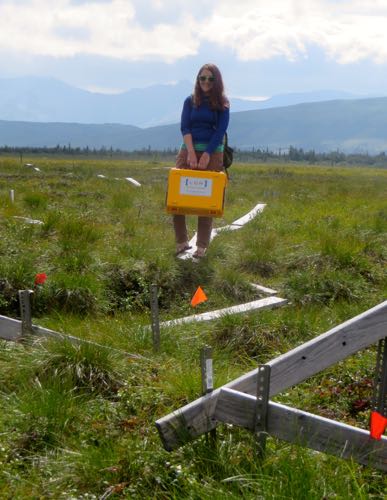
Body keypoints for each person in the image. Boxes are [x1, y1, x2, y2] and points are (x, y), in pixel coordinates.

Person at [173, 63, 230, 259]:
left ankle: (201, 246)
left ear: (217, 81)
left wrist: (206, 154)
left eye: (210, 79)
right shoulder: (190, 101)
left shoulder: (223, 103)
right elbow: (185, 127)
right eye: (202, 78)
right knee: (176, 196)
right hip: (187, 151)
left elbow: (220, 131)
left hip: (212, 154)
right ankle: (181, 242)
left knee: (207, 200)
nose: (206, 82)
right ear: (198, 80)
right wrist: (190, 152)